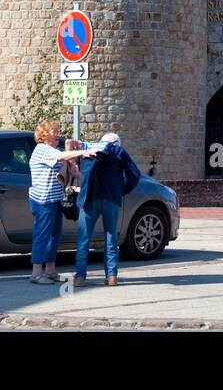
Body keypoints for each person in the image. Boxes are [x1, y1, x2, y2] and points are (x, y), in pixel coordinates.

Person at [28, 119, 94, 285]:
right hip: (43, 201)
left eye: (58, 131)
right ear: (44, 134)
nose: (58, 134)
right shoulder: (42, 149)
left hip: (55, 200)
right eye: (54, 132)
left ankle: (50, 271)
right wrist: (81, 153)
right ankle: (36, 273)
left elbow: (72, 171)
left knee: (54, 237)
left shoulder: (53, 149)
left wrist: (72, 156)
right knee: (42, 236)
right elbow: (60, 156)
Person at [74, 132, 141, 287]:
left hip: (90, 197)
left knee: (84, 237)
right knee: (111, 237)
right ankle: (111, 276)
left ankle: (79, 276)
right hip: (111, 197)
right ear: (117, 142)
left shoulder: (90, 149)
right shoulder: (119, 152)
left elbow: (80, 169)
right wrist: (122, 190)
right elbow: (134, 175)